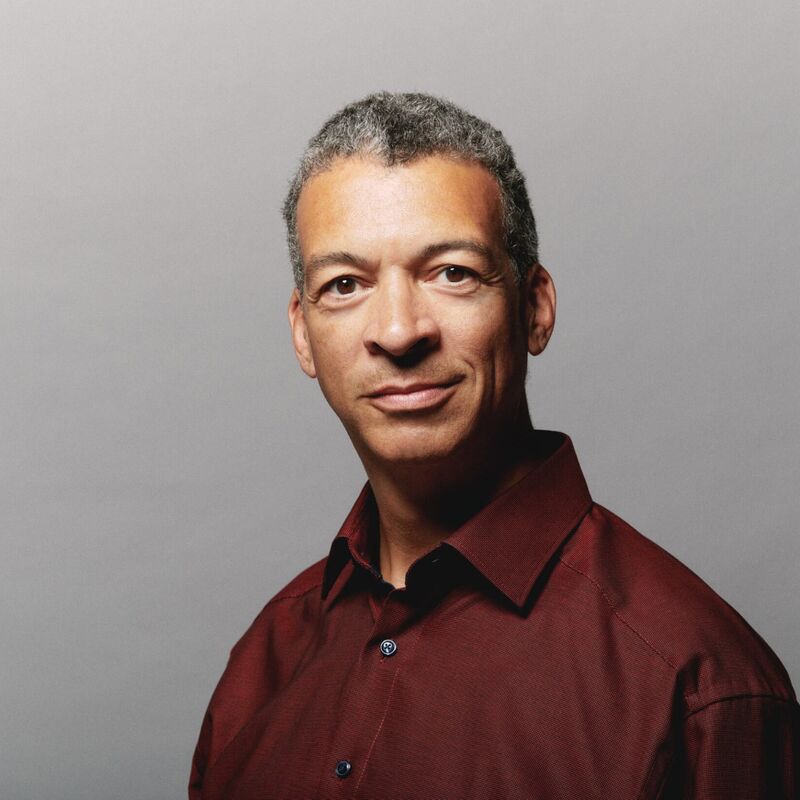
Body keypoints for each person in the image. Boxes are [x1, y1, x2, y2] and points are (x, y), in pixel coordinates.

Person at [189, 92, 798, 799]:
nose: (397, 330)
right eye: (346, 284)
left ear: (534, 308)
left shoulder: (699, 690)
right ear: (303, 333)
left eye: (452, 273)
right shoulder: (262, 663)